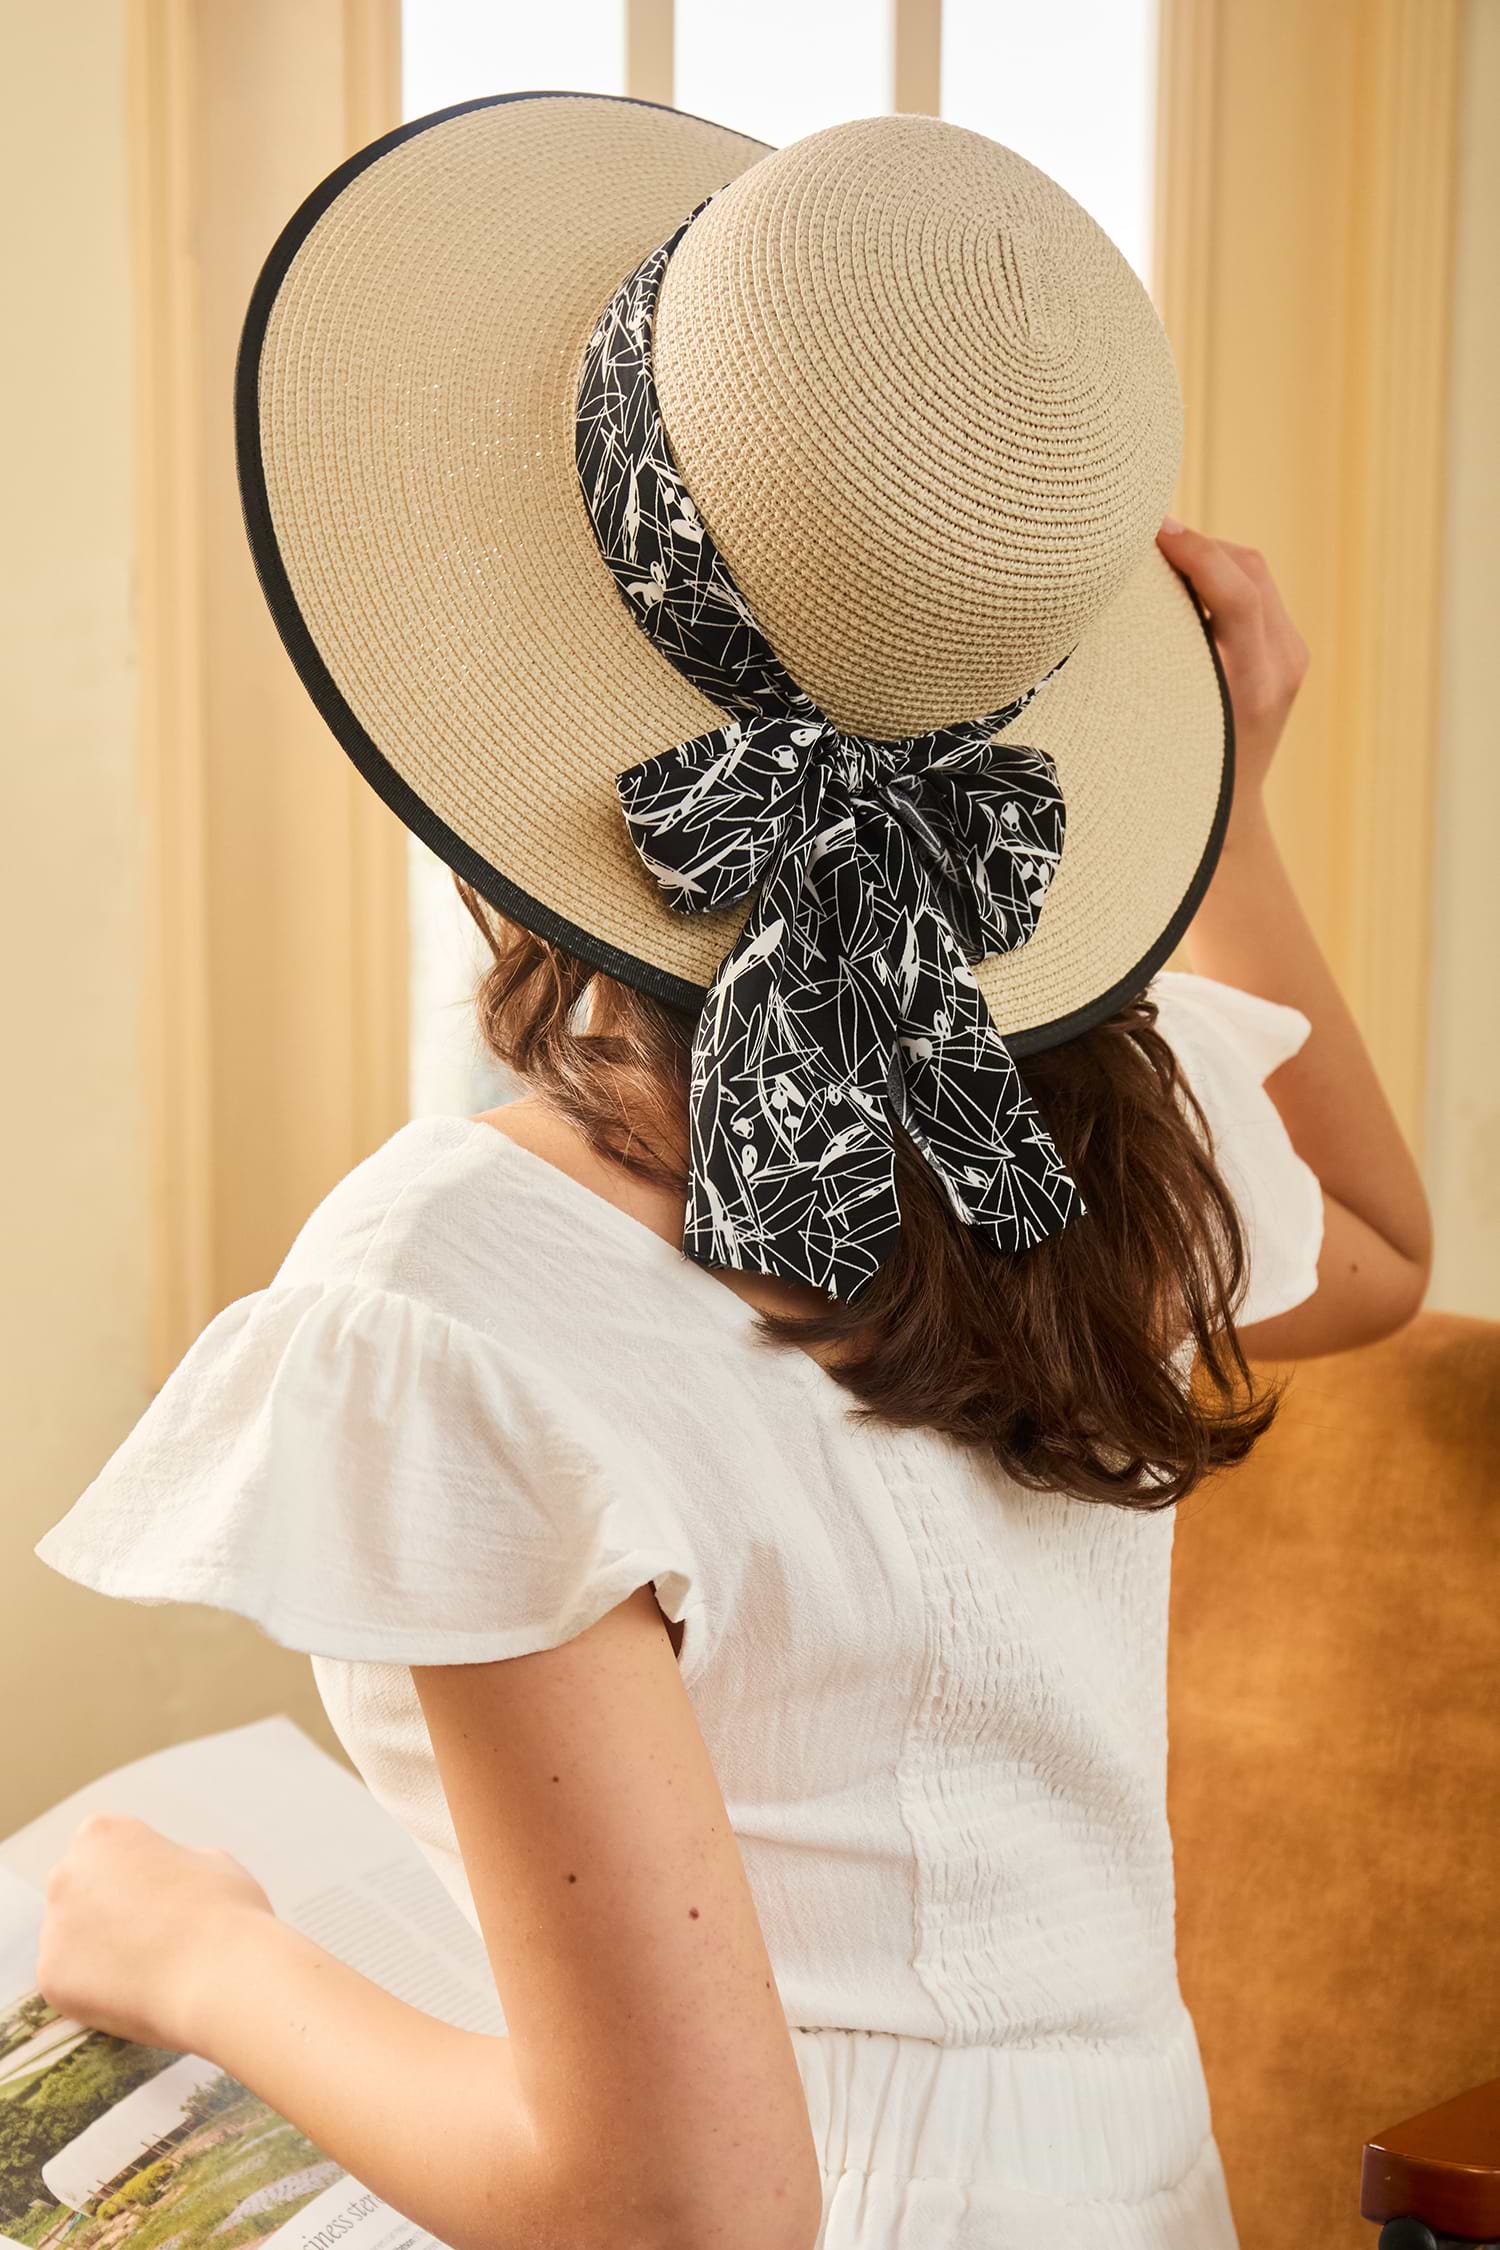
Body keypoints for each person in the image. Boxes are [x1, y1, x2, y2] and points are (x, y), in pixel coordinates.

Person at [32, 100, 1430, 2250]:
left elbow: (683, 2206)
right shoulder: (1078, 1126)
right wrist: (1221, 819)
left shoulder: (449, 1294)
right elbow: (1379, 1249)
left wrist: (197, 1954)